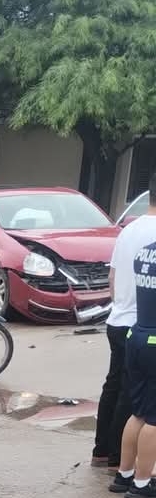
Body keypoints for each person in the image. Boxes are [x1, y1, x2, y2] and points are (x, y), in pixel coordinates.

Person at [93, 185, 155, 471]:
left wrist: (121, 305)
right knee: (135, 400)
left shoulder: (128, 230)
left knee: (114, 386)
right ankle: (121, 461)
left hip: (118, 320)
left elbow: (112, 277)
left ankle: (102, 451)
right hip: (144, 325)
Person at [109, 180, 156, 498]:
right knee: (154, 419)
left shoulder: (145, 253)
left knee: (138, 412)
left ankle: (124, 474)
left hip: (137, 334)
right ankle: (141, 484)